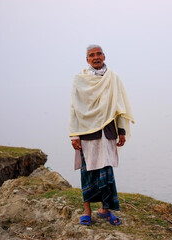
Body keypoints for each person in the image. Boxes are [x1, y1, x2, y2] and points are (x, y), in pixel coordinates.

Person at [69, 44, 134, 226]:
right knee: (87, 172)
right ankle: (87, 212)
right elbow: (74, 108)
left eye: (99, 54)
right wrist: (74, 135)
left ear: (104, 56)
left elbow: (119, 106)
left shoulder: (113, 78)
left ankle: (106, 210)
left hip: (108, 132)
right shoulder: (80, 79)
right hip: (86, 133)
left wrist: (121, 131)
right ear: (87, 59)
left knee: (107, 172)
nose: (96, 57)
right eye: (92, 55)